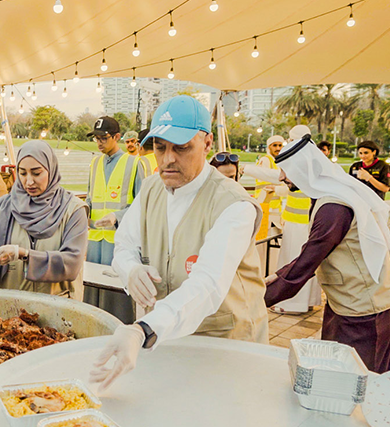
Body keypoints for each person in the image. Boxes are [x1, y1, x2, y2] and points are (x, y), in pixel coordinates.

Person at [91, 96, 268, 390]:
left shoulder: (234, 205)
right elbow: (124, 244)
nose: (168, 159)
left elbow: (207, 284)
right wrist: (131, 270)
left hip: (226, 344)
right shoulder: (151, 188)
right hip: (167, 338)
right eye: (160, 147)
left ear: (207, 144)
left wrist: (143, 329)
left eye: (182, 148)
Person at [265, 134, 390, 373]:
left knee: (359, 383)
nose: (282, 177)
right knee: (331, 374)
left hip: (364, 313)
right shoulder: (326, 198)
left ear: (303, 170)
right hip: (346, 304)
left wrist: (257, 298)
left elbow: (306, 263)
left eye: (285, 170)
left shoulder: (333, 209)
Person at [0, 141, 89, 299]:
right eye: (23, 173)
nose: (29, 182)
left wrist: (23, 254)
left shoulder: (73, 210)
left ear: (51, 170)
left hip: (56, 308)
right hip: (8, 310)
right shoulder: (1, 207)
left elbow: (71, 264)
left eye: (36, 173)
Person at [82, 117, 137, 322]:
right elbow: (89, 197)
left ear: (117, 137)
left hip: (120, 243)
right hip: (95, 242)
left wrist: (117, 217)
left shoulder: (134, 164)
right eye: (96, 138)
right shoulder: (95, 163)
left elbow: (143, 205)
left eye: (103, 138)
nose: (99, 142)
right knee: (92, 297)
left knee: (117, 299)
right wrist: (83, 212)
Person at [270, 125, 321, 314]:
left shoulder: (299, 160)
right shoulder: (312, 158)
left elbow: (278, 178)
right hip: (302, 220)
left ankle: (292, 304)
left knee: (295, 260)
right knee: (306, 260)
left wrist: (247, 169)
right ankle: (307, 301)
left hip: (300, 222)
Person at [254, 135, 286, 228]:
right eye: (275, 145)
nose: (278, 148)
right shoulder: (266, 160)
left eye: (280, 145)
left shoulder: (277, 162)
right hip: (265, 205)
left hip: (274, 207)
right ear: (269, 147)